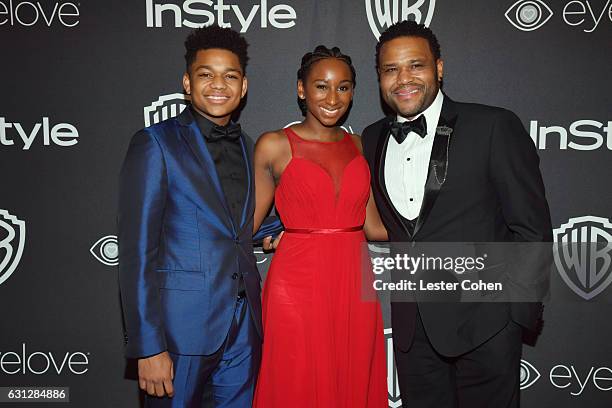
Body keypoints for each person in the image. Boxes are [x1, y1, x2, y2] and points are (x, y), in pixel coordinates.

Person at [361, 21, 552, 407]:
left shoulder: (493, 125)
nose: (404, 79)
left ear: (440, 68)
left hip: (487, 325)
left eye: (416, 65)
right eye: (391, 69)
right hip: (413, 330)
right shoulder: (371, 138)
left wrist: (515, 317)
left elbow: (531, 227)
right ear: (379, 77)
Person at [118, 26, 280, 407]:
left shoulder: (249, 146)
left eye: (230, 76)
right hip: (179, 333)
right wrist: (147, 347)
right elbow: (138, 252)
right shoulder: (155, 143)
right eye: (206, 74)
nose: (218, 85)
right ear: (187, 83)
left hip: (244, 327)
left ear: (244, 87)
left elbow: (241, 225)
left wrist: (293, 229)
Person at [251, 46, 388, 407]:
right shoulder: (275, 144)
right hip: (296, 284)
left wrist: (450, 221)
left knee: (352, 376)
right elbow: (247, 224)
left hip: (353, 282)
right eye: (321, 86)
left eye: (343, 87)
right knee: (297, 380)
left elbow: (374, 227)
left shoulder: (361, 145)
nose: (332, 97)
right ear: (301, 89)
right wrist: (281, 231)